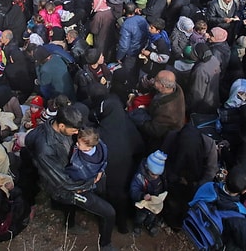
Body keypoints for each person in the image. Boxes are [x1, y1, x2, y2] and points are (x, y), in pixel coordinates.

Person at [26, 105, 118, 251]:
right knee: (109, 212)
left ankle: (70, 224)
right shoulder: (45, 149)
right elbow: (63, 182)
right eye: (74, 131)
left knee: (73, 204)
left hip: (76, 176)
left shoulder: (67, 125)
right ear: (61, 125)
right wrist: (90, 183)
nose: (77, 133)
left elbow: (90, 136)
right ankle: (106, 244)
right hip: (69, 186)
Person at [129, 150, 168, 236]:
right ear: (147, 168)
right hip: (143, 204)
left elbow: (164, 185)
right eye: (153, 174)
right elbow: (133, 190)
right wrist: (142, 195)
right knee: (140, 217)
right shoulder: (140, 177)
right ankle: (137, 226)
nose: (155, 176)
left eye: (158, 175)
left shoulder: (160, 177)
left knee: (152, 216)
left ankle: (149, 225)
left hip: (154, 204)